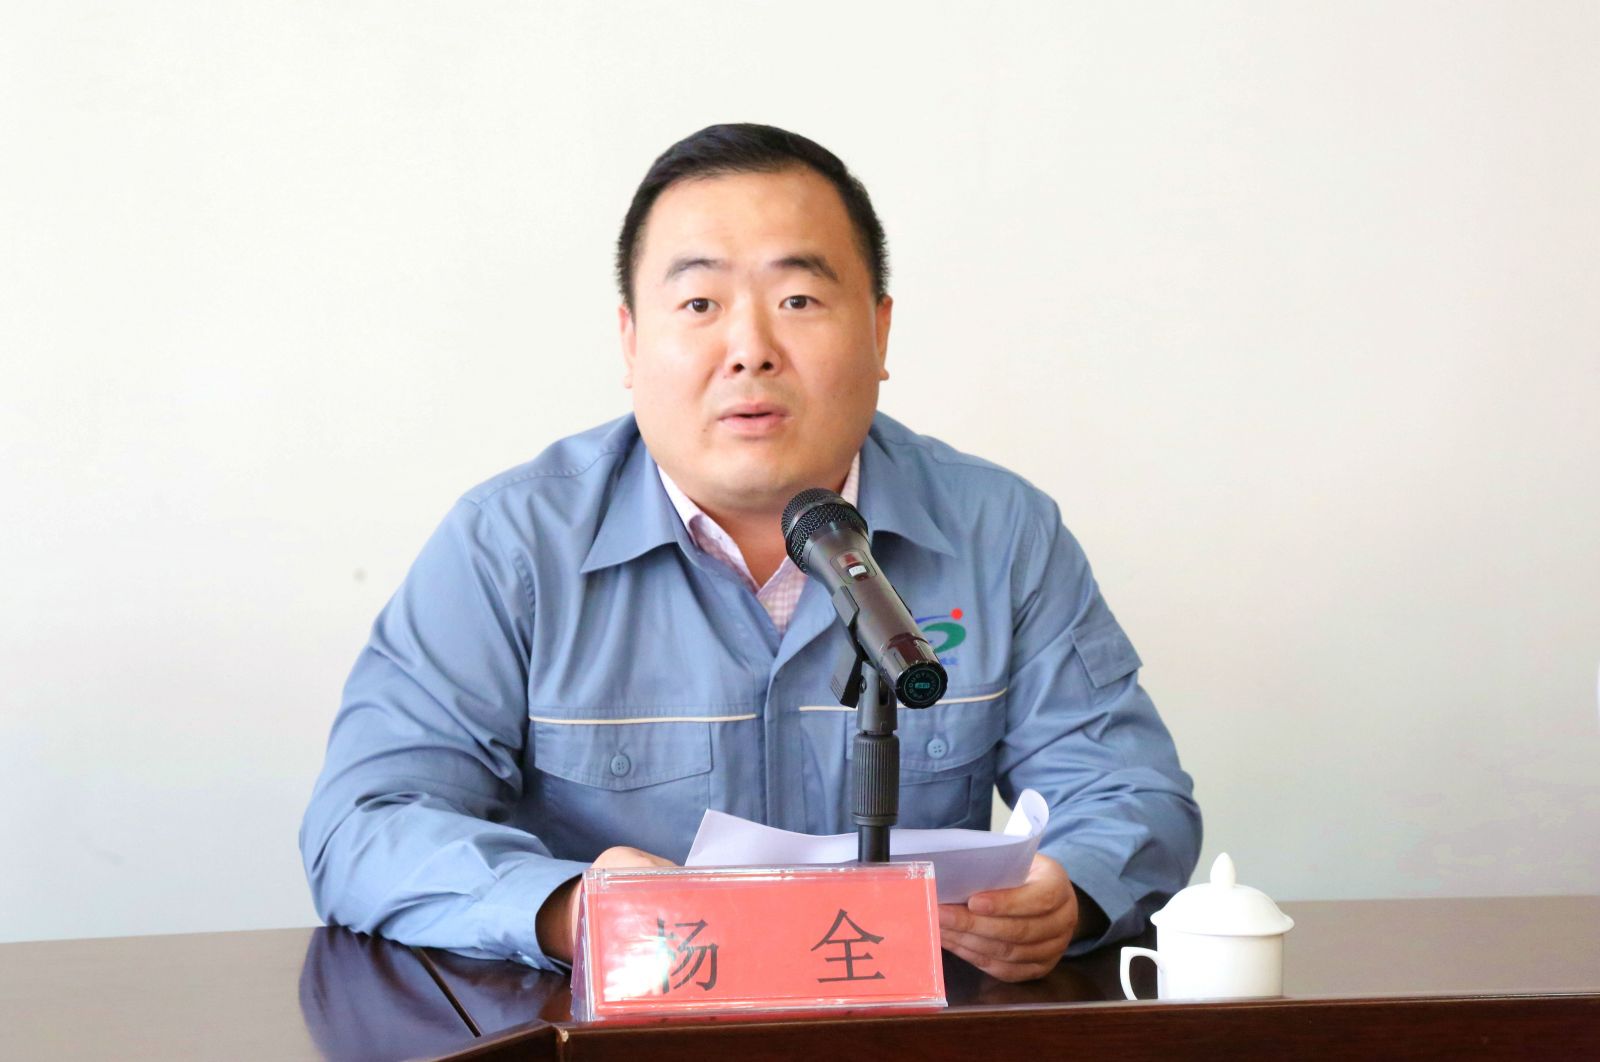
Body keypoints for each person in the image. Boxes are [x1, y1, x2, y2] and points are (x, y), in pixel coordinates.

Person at [299, 123, 1201, 983]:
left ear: (879, 331)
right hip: (615, 1044)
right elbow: (366, 822)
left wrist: (1069, 895)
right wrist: (573, 910)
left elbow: (1131, 793)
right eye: (700, 304)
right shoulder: (511, 546)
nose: (750, 350)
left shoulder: (1000, 534)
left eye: (798, 300)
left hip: (908, 1038)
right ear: (631, 341)